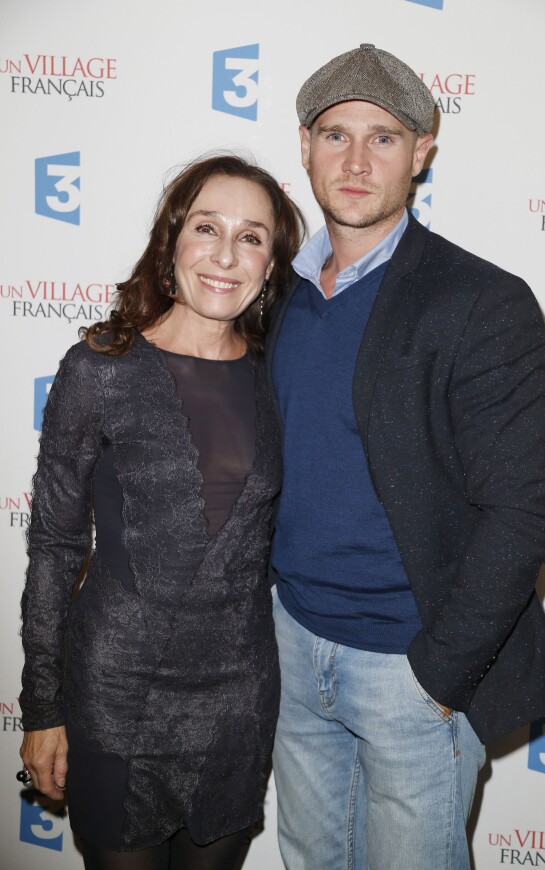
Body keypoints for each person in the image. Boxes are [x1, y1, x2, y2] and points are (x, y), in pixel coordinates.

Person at [266, 44, 545, 870]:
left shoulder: (479, 300)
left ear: (421, 153)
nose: (357, 160)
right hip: (292, 650)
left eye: (385, 137)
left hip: (409, 667)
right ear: (303, 145)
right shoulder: (274, 292)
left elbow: (526, 513)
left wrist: (436, 675)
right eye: (336, 135)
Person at [18, 154, 304, 870]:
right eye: (207, 227)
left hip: (237, 700)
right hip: (116, 691)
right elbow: (54, 546)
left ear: (269, 265)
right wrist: (43, 708)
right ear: (171, 240)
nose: (226, 255)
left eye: (252, 237)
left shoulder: (281, 376)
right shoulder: (99, 368)